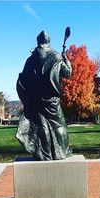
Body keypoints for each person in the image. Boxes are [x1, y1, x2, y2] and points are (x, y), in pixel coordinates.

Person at [16, 30, 72, 161]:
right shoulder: (57, 56)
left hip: (36, 100)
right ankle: (61, 152)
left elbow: (23, 80)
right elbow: (68, 73)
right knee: (59, 125)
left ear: (38, 41)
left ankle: (45, 153)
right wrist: (66, 60)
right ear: (49, 42)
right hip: (52, 101)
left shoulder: (31, 59)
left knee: (41, 126)